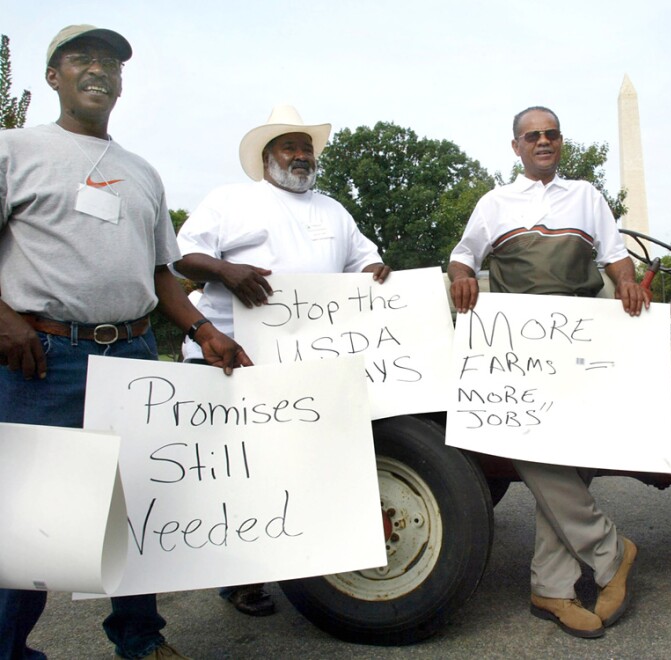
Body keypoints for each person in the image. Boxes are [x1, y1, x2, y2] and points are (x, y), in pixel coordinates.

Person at [0, 25, 251, 659]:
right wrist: (3, 317)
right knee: (32, 522)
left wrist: (203, 328)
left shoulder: (142, 174)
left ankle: (140, 640)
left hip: (134, 357)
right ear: (53, 76)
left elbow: (164, 275)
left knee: (135, 507)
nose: (98, 70)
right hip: (42, 360)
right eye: (81, 58)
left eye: (110, 62)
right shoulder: (14, 149)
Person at [172, 103, 390, 616]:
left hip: (306, 362)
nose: (300, 156)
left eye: (306, 148)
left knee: (297, 469)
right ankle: (239, 578)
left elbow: (366, 260)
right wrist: (227, 271)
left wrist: (378, 268)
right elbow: (181, 254)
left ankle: (302, 562)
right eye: (289, 147)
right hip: (230, 354)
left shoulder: (334, 209)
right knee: (237, 474)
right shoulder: (231, 200)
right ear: (266, 157)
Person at [447, 106, 650, 639]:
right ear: (515, 147)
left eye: (552, 134)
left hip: (582, 340)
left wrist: (628, 284)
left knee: (570, 455)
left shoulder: (587, 196)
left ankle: (551, 589)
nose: (543, 141)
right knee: (532, 450)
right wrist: (463, 276)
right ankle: (609, 551)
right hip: (519, 348)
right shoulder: (495, 203)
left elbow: (614, 258)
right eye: (532, 135)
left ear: (561, 143)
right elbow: (463, 255)